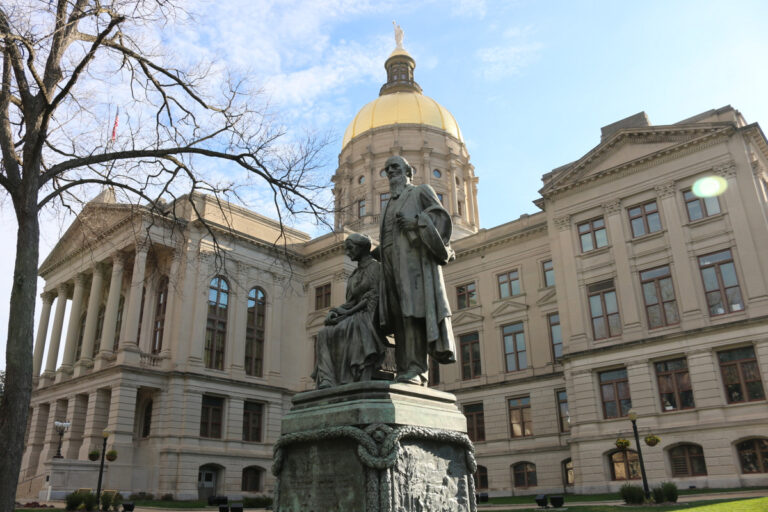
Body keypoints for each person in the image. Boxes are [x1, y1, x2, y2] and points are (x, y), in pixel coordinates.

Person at [378, 155, 456, 385]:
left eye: (395, 167)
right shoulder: (388, 205)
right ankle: (403, 368)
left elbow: (441, 221)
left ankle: (416, 369)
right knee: (399, 317)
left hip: (414, 264)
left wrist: (416, 224)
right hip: (390, 263)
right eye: (387, 168)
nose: (391, 171)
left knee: (413, 314)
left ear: (409, 171)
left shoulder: (420, 191)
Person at [312, 234, 387, 389]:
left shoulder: (376, 267)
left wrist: (346, 314)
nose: (347, 252)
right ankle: (327, 379)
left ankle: (354, 372)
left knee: (353, 325)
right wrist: (335, 312)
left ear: (361, 248)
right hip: (355, 312)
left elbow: (373, 297)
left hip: (371, 314)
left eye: (350, 248)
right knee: (324, 333)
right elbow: (350, 302)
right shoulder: (353, 275)